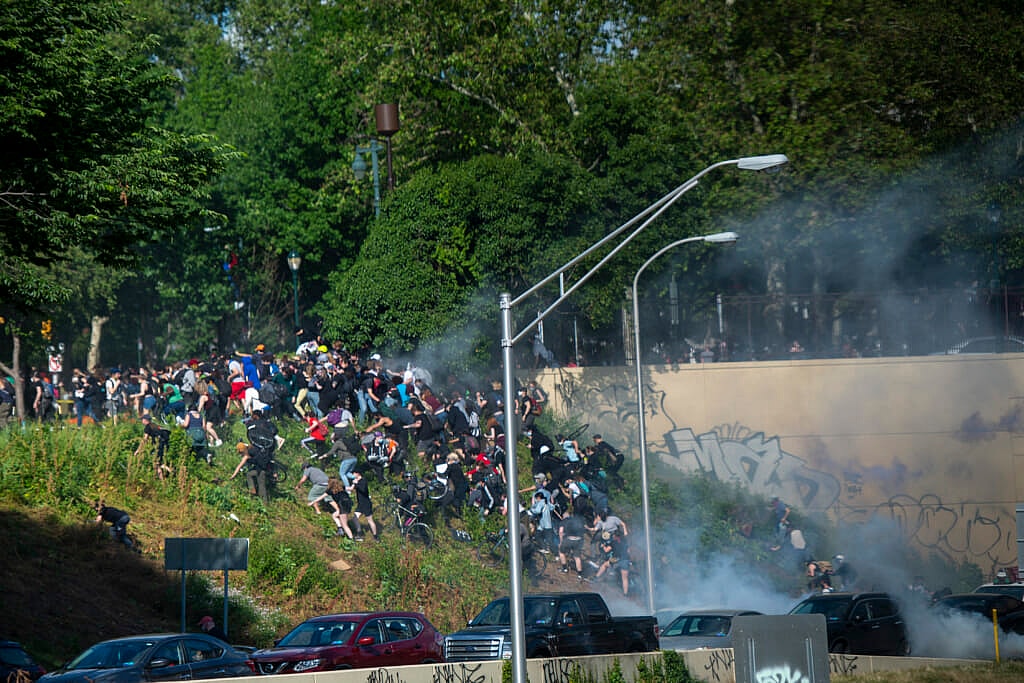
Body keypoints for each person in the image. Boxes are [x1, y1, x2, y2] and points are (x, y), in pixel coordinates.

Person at [136, 414, 171, 480]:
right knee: (159, 463)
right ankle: (168, 473)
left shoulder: (148, 427)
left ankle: (164, 479)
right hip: (164, 445)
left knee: (156, 464)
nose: (141, 421)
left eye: (142, 420)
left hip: (157, 446)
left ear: (145, 420)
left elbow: (145, 439)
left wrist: (138, 449)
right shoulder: (155, 425)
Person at [349, 469, 380, 541]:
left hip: (366, 504)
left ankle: (376, 536)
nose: (352, 475)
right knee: (355, 518)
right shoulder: (357, 481)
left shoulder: (363, 481)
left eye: (353, 473)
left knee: (370, 520)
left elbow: (363, 490)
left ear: (358, 473)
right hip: (360, 504)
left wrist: (356, 484)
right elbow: (351, 489)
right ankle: (359, 533)